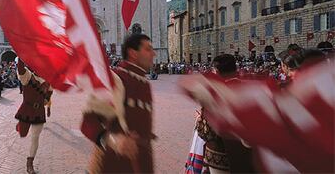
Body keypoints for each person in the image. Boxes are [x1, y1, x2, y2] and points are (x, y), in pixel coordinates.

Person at [180, 52, 334, 173]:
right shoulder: (251, 88)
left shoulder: (221, 96)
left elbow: (206, 132)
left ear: (216, 71)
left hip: (221, 156)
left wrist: (201, 119)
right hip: (249, 160)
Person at [81, 33, 156, 173]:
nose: (154, 53)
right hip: (113, 164)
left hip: (140, 164)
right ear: (133, 53)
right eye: (148, 49)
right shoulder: (115, 79)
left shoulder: (145, 83)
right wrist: (113, 140)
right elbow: (88, 122)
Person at [15, 58, 53, 174]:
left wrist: (47, 103)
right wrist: (21, 56)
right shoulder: (28, 76)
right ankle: (20, 125)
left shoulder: (47, 82)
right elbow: (20, 69)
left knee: (35, 137)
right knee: (23, 133)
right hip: (26, 109)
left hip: (39, 112)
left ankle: (30, 162)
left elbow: (49, 95)